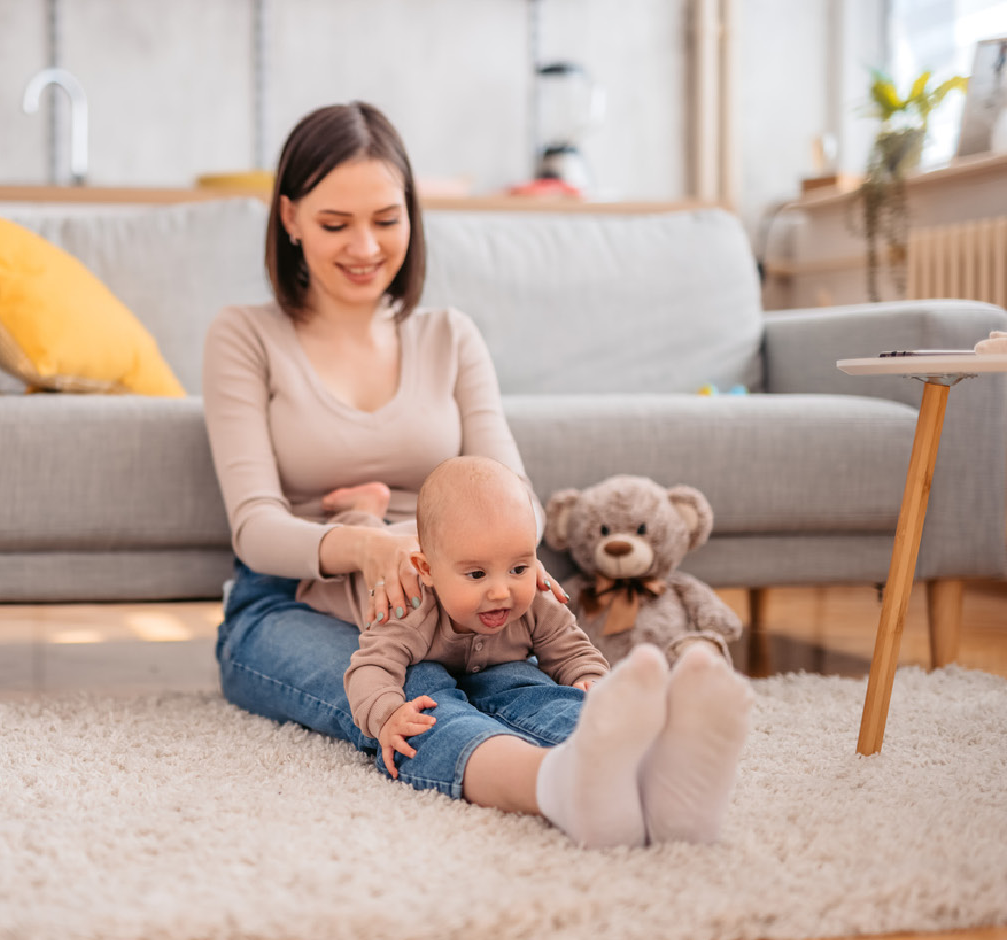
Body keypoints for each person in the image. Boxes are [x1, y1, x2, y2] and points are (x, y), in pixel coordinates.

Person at [201, 101, 753, 847]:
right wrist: (375, 548)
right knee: (410, 692)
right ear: (291, 217)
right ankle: (555, 788)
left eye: (386, 219)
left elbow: (509, 492)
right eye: (335, 224)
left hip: (459, 588)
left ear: (412, 216)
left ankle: (656, 779)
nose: (364, 247)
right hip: (294, 598)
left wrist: (469, 562)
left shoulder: (449, 336)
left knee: (515, 677)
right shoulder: (245, 335)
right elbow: (255, 527)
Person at [328, 456, 610, 779]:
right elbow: (371, 667)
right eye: (477, 574)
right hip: (352, 585)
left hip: (443, 547)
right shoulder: (408, 607)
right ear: (427, 570)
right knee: (354, 547)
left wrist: (589, 678)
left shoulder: (536, 601)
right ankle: (363, 509)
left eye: (518, 568)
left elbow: (572, 650)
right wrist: (387, 714)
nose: (502, 592)